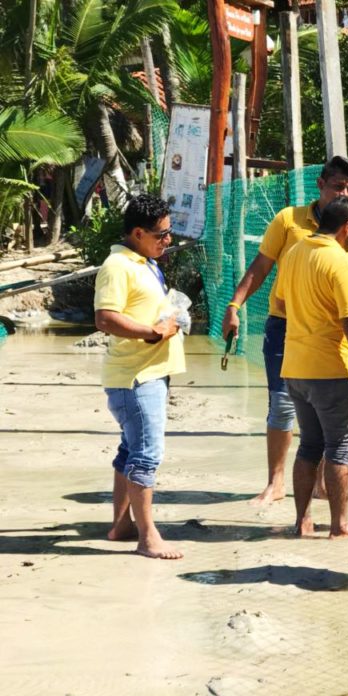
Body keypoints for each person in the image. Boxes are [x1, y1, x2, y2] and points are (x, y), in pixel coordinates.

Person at [221, 156, 348, 507]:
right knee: (282, 405)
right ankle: (275, 483)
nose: (344, 192)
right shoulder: (288, 220)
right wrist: (234, 306)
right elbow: (260, 266)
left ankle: (322, 486)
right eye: (338, 186)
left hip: (333, 329)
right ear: (320, 184)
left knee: (327, 410)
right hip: (285, 325)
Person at [274, 196, 348, 538]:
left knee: (308, 445)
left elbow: (279, 300)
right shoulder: (340, 263)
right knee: (339, 448)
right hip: (332, 370)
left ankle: (302, 522)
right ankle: (340, 524)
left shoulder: (293, 253)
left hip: (295, 369)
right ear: (346, 227)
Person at [94, 194, 185, 560]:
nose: (168, 241)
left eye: (169, 232)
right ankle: (147, 537)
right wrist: (151, 332)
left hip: (148, 373)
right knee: (147, 455)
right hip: (135, 377)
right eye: (161, 234)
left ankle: (122, 524)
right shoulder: (117, 265)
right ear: (136, 232)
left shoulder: (144, 261)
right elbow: (105, 318)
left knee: (130, 450)